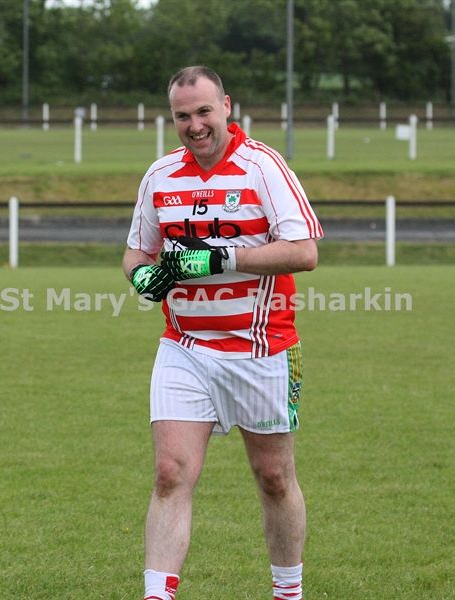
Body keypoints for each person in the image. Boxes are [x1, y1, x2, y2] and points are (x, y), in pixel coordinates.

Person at [123, 65, 323, 600]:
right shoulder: (161, 175)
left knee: (274, 477)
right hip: (184, 348)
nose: (194, 125)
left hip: (262, 349)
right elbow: (136, 252)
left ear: (227, 106)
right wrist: (142, 276)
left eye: (203, 111)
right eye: (182, 116)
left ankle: (288, 593)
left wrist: (221, 257)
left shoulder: (264, 167)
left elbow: (304, 252)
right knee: (170, 473)